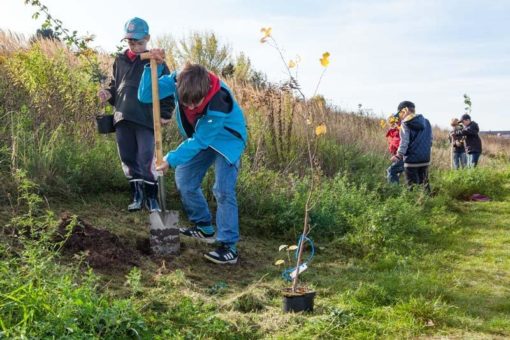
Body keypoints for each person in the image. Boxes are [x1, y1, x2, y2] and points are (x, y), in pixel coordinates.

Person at [138, 50, 248, 265]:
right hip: (202, 137)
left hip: (228, 140)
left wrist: (170, 158)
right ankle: (204, 227)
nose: (189, 108)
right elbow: (145, 95)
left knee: (222, 189)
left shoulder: (219, 100)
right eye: (185, 103)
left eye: (194, 104)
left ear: (205, 91)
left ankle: (228, 247)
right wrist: (155, 67)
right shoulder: (179, 80)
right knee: (185, 179)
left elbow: (200, 141)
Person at [97, 18, 175, 213]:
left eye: (139, 42)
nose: (135, 46)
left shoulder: (156, 61)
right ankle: (136, 196)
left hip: (146, 118)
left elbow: (167, 90)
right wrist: (108, 94)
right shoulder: (119, 60)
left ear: (147, 38)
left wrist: (165, 113)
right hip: (122, 117)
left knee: (147, 157)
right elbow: (116, 87)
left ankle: (152, 197)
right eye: (131, 42)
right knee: (128, 157)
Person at [391, 101, 432, 191]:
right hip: (425, 159)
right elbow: (430, 140)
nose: (400, 116)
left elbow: (404, 142)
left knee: (412, 187)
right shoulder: (427, 122)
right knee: (425, 184)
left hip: (411, 160)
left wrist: (398, 155)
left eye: (400, 113)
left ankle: (415, 203)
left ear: (404, 111)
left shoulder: (405, 124)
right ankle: (430, 202)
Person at [385, 114, 404, 183]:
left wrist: (398, 155)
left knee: (391, 170)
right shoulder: (392, 132)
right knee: (393, 172)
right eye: (391, 123)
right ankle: (396, 189)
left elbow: (402, 144)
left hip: (403, 156)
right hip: (397, 156)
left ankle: (394, 191)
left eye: (395, 122)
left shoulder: (402, 131)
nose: (394, 125)